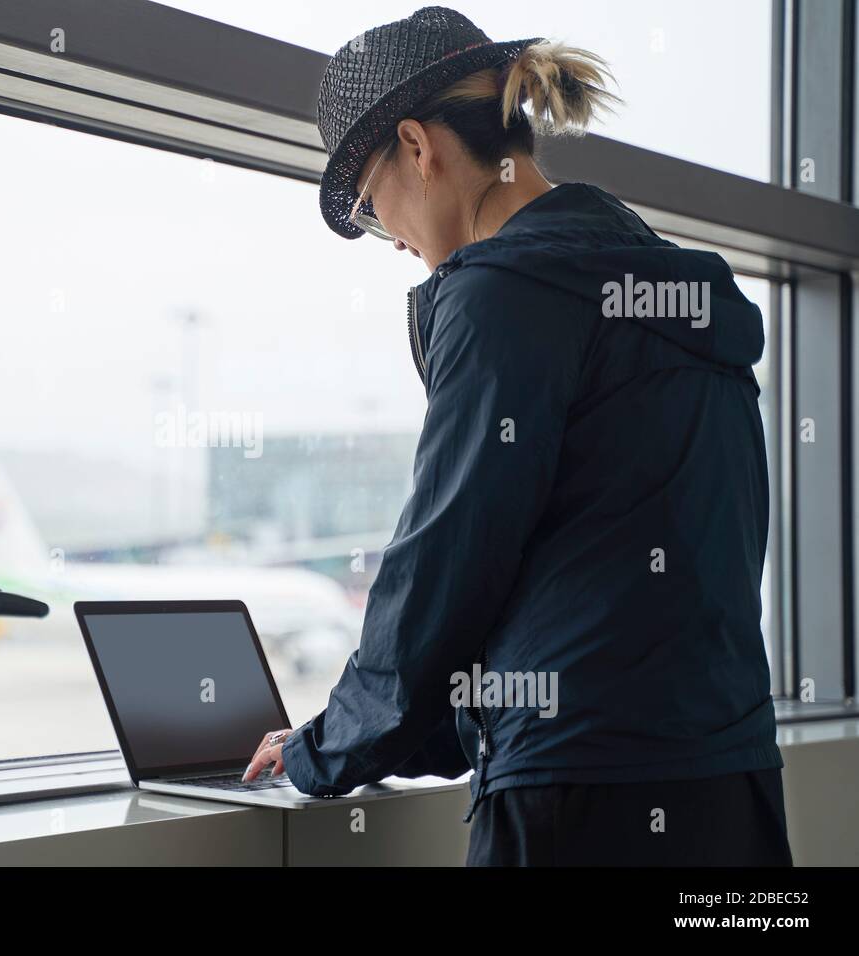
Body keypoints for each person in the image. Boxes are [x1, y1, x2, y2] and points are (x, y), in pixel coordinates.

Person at [241, 6, 792, 866]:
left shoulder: (503, 294)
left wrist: (323, 749)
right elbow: (610, 584)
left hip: (577, 805)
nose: (388, 241)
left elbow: (447, 557)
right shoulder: (677, 295)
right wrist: (405, 734)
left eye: (371, 208)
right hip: (736, 787)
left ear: (419, 148)